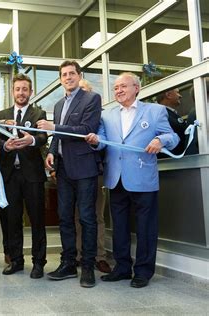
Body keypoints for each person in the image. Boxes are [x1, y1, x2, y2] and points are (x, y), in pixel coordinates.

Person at [85, 72, 179, 288]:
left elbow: (173, 137)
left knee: (146, 227)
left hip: (143, 178)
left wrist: (159, 140)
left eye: (123, 86)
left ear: (136, 88)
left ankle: (144, 272)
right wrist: (94, 141)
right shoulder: (107, 115)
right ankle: (122, 268)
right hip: (116, 179)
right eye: (116, 87)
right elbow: (102, 142)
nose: (118, 90)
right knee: (119, 227)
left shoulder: (155, 111)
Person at [37, 60, 102, 288]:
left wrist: (54, 128)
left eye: (71, 73)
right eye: (64, 74)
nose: (67, 77)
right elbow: (59, 137)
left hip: (85, 168)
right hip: (63, 170)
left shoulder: (91, 99)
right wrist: (52, 152)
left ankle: (87, 267)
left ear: (79, 75)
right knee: (64, 217)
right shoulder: (57, 105)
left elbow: (86, 130)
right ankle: (68, 264)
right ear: (60, 79)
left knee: (86, 218)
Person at [0, 73, 48, 279]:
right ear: (12, 91)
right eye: (17, 89)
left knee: (37, 220)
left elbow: (43, 137)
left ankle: (38, 262)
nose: (21, 93)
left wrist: (32, 140)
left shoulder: (39, 113)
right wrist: (5, 146)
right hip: (10, 175)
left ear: (30, 92)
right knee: (12, 220)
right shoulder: (3, 113)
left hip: (32, 176)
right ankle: (16, 260)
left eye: (24, 89)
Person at [76, 78, 112, 274]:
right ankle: (79, 255)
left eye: (84, 90)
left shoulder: (101, 117)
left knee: (96, 215)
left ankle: (99, 256)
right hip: (73, 173)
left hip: (94, 171)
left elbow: (105, 143)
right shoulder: (68, 115)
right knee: (76, 216)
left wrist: (96, 141)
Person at [155, 88, 187, 158]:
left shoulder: (169, 113)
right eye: (177, 93)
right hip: (173, 163)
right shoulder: (159, 114)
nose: (180, 96)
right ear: (168, 95)